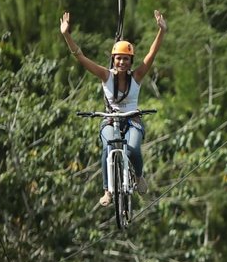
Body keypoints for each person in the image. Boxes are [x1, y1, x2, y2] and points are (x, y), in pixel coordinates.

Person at [60, 10, 168, 206]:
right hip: (110, 119)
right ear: (113, 59)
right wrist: (67, 35)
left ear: (131, 62)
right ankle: (108, 191)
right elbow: (80, 57)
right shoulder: (105, 76)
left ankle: (138, 177)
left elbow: (152, 54)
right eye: (118, 58)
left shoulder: (136, 77)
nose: (122, 62)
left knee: (133, 148)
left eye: (126, 59)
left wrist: (161, 31)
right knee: (108, 148)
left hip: (132, 119)